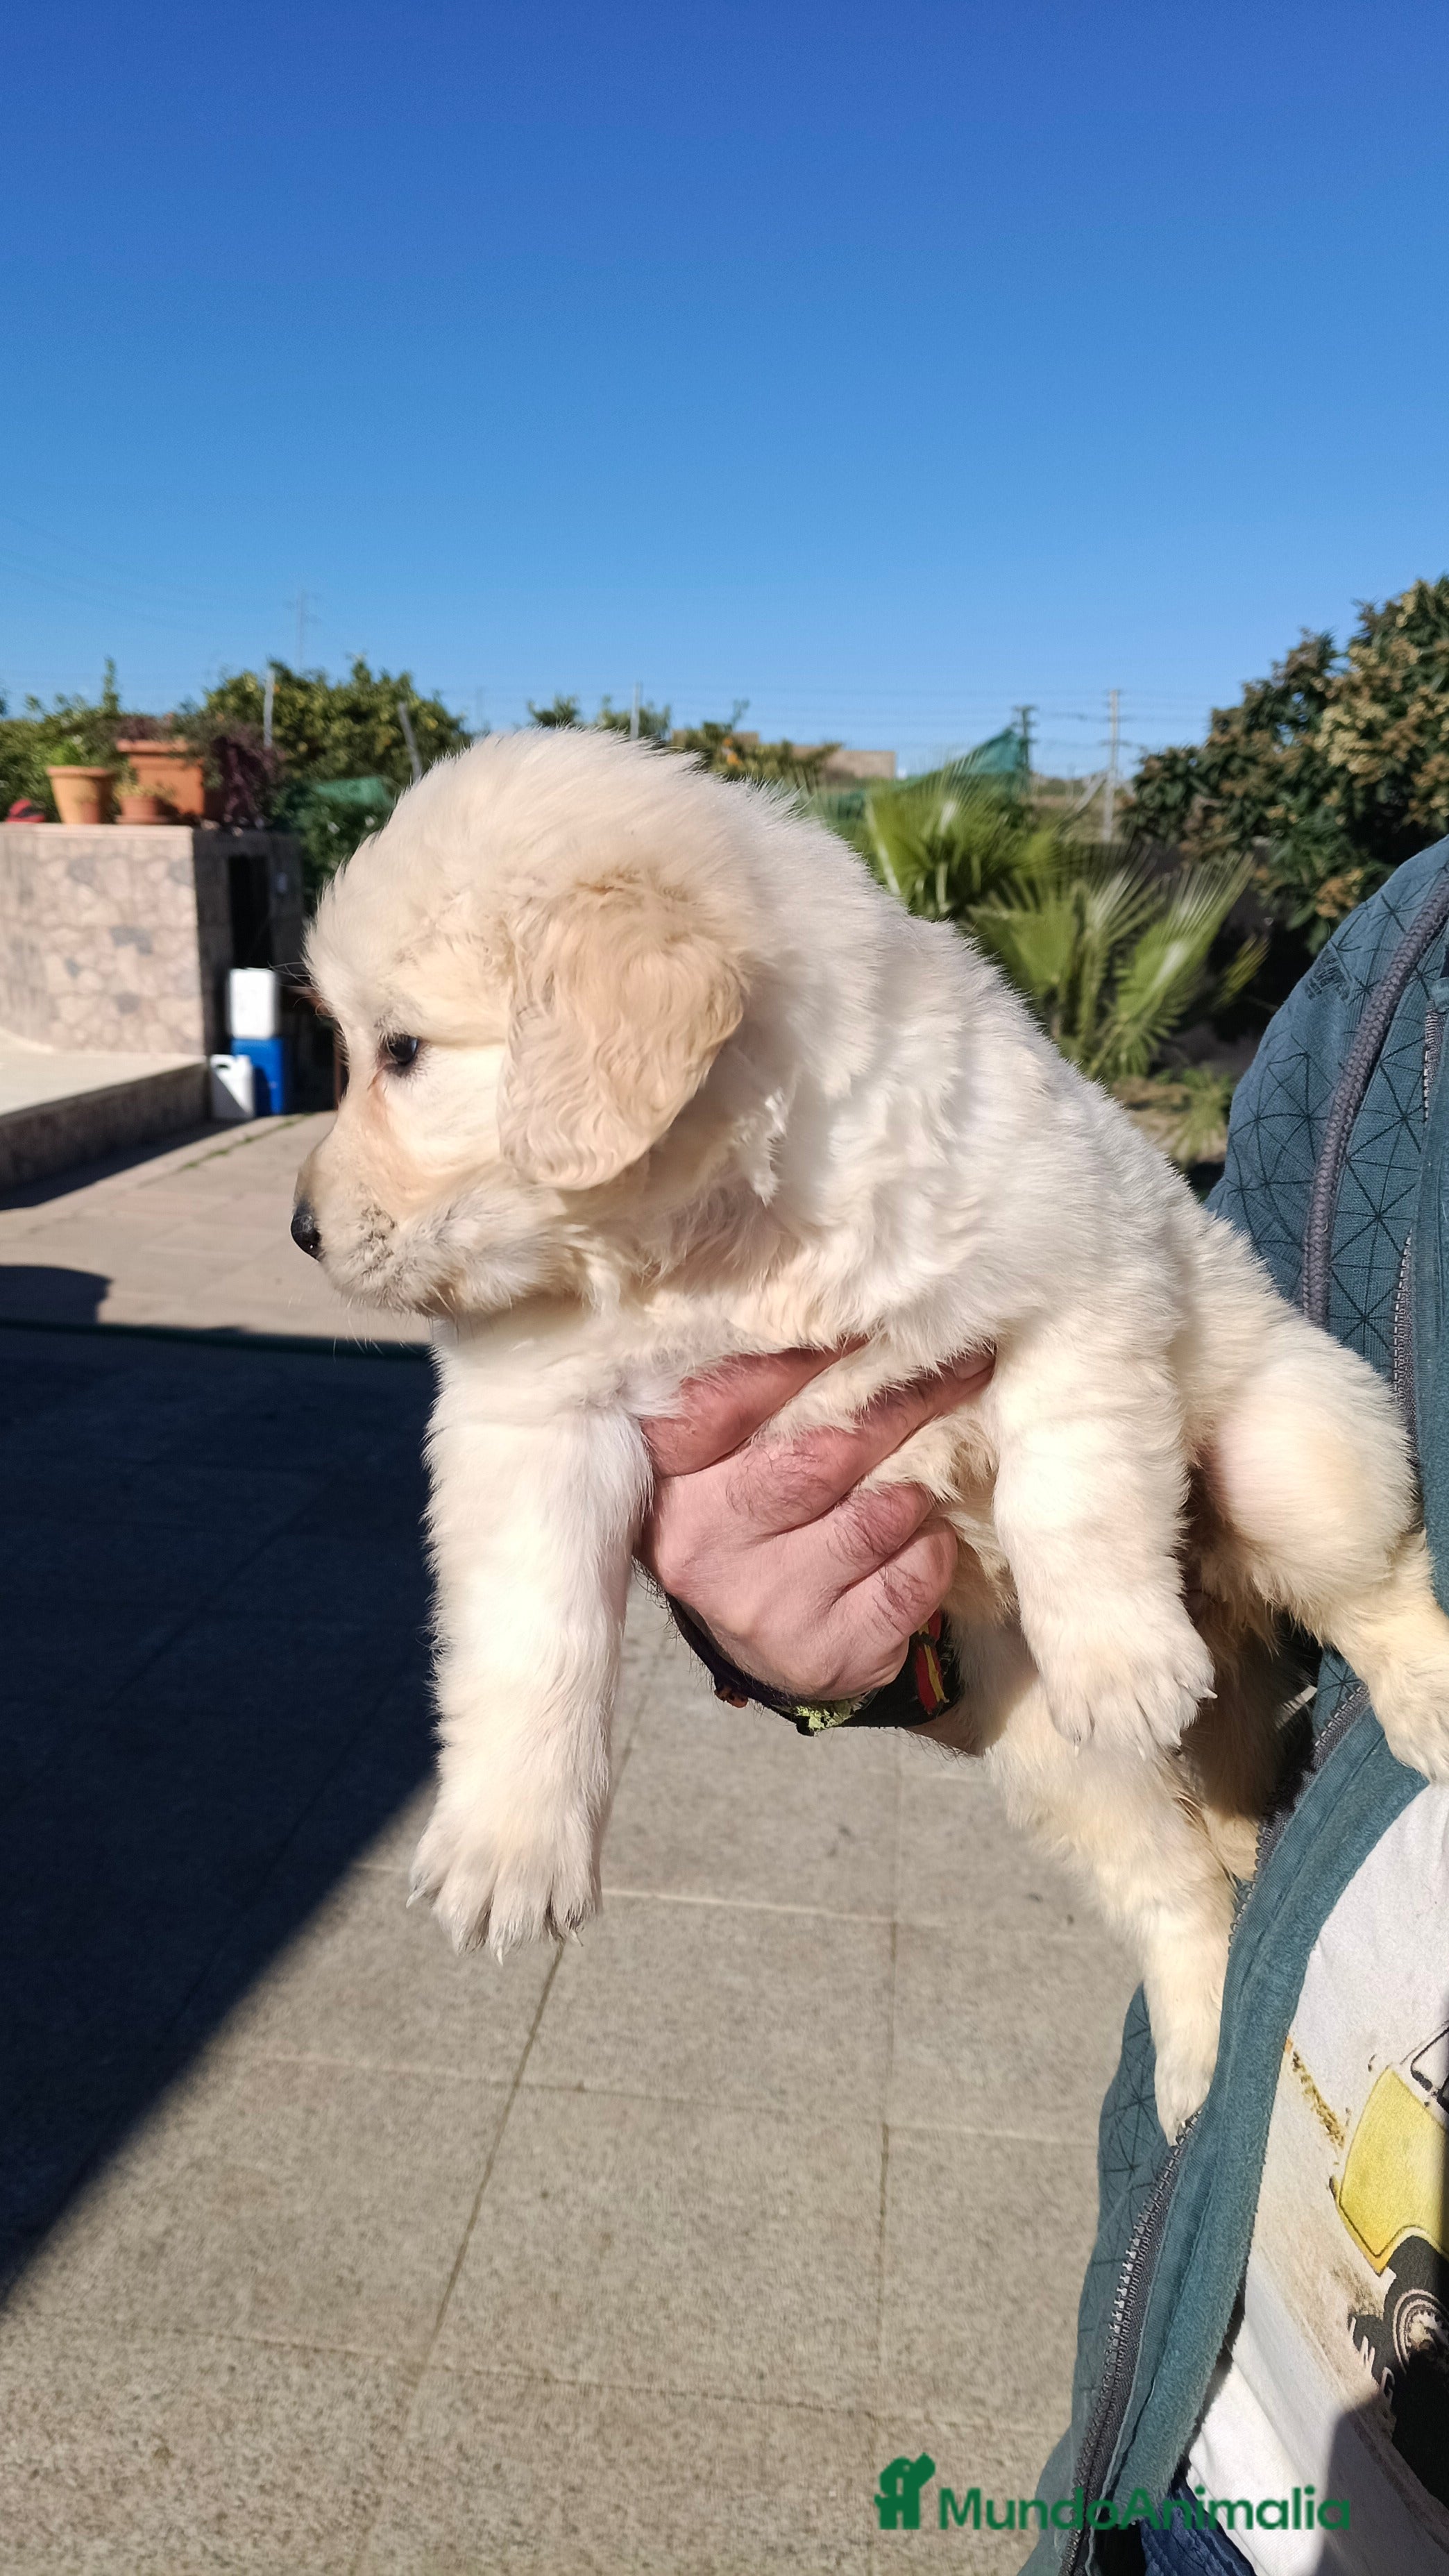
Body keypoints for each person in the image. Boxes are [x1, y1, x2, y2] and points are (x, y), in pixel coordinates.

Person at [639, 831, 1449, 2575]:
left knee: (1311, 1526)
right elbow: (1204, 1295)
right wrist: (812, 1631)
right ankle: (1182, 1917)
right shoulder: (1414, 975)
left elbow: (1138, 1302)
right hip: (1222, 2425)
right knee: (1075, 1726)